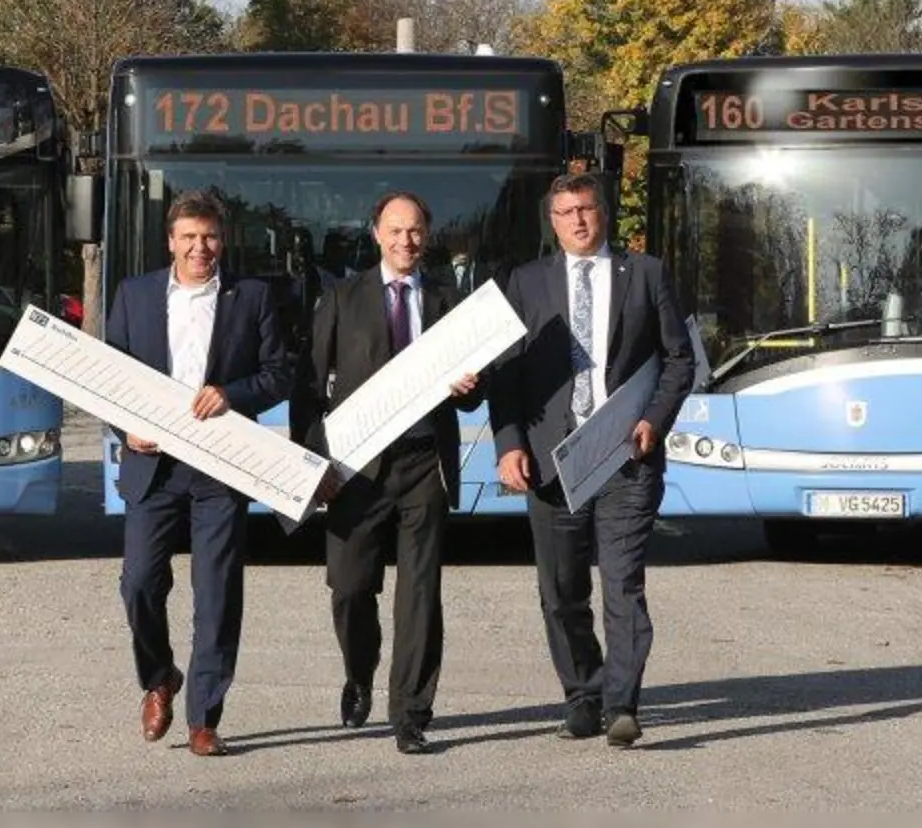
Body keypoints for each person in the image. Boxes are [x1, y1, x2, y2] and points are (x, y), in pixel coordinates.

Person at [489, 172, 694, 749]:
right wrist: (508, 445)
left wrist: (654, 418)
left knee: (623, 583)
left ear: (602, 213)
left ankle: (623, 704)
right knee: (562, 589)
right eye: (565, 212)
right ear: (551, 223)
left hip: (627, 456)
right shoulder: (525, 283)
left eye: (586, 208)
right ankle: (582, 694)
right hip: (553, 462)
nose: (578, 220)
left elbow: (680, 360)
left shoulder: (646, 273)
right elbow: (505, 373)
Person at [103, 188, 292, 757]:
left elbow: (279, 373)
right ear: (171, 242)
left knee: (216, 594)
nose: (199, 247)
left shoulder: (251, 297)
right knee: (139, 582)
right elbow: (106, 376)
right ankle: (159, 676)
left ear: (222, 239)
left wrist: (230, 395)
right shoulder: (133, 295)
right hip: (152, 466)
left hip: (219, 468)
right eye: (188, 238)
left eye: (208, 236)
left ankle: (203, 719)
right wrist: (123, 429)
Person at [295, 190, 481, 755]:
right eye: (396, 231)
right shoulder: (341, 298)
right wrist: (310, 462)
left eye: (416, 231)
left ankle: (411, 713)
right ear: (376, 233)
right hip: (355, 469)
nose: (407, 241)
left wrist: (470, 385)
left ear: (428, 235)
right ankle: (359, 673)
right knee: (350, 588)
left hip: (424, 461)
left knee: (420, 593)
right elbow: (308, 389)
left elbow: (476, 394)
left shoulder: (451, 301)